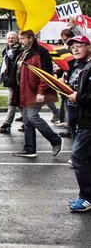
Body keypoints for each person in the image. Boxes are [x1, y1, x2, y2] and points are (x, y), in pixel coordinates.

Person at [7, 30, 63, 158]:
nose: (20, 41)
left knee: (32, 117)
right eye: (20, 38)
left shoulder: (40, 52)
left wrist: (41, 91)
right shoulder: (23, 53)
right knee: (27, 120)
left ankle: (55, 140)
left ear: (31, 38)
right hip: (23, 91)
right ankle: (29, 149)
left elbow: (45, 74)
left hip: (33, 91)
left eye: (23, 38)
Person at [64, 35, 91, 212]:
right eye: (72, 46)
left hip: (88, 120)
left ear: (88, 47)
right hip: (79, 119)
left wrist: (78, 97)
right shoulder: (75, 66)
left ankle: (86, 197)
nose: (75, 49)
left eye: (79, 46)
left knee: (78, 156)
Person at [0, 31, 22, 134]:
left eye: (13, 38)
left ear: (17, 39)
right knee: (18, 104)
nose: (10, 40)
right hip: (9, 80)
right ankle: (28, 122)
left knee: (12, 102)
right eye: (9, 38)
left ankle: (7, 124)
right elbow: (3, 65)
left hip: (17, 81)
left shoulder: (20, 51)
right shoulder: (6, 51)